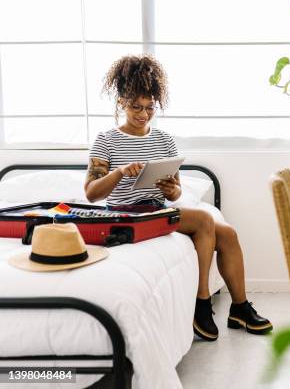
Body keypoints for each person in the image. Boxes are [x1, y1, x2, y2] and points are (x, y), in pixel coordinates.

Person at [84, 54, 272, 341]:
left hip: (156, 209)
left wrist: (172, 191)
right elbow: (91, 192)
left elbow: (177, 190)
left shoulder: (164, 140)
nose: (143, 114)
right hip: (126, 214)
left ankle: (239, 308)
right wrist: (120, 172)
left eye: (149, 107)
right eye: (136, 107)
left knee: (229, 234)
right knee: (203, 219)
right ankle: (202, 304)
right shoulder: (107, 140)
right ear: (121, 101)